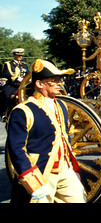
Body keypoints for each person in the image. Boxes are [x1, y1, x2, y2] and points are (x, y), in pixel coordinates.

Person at [6, 59, 87, 203]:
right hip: (40, 171)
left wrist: (71, 167)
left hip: (64, 168)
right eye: (54, 80)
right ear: (39, 84)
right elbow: (16, 149)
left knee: (78, 198)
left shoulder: (61, 105)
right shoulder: (23, 111)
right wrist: (31, 181)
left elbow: (64, 136)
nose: (59, 83)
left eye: (59, 79)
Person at [1, 48, 29, 122]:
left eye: (21, 55)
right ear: (14, 55)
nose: (20, 57)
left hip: (22, 85)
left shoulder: (24, 65)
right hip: (12, 85)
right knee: (6, 96)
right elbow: (6, 74)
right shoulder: (8, 64)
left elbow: (28, 74)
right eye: (18, 55)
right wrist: (16, 79)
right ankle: (4, 114)